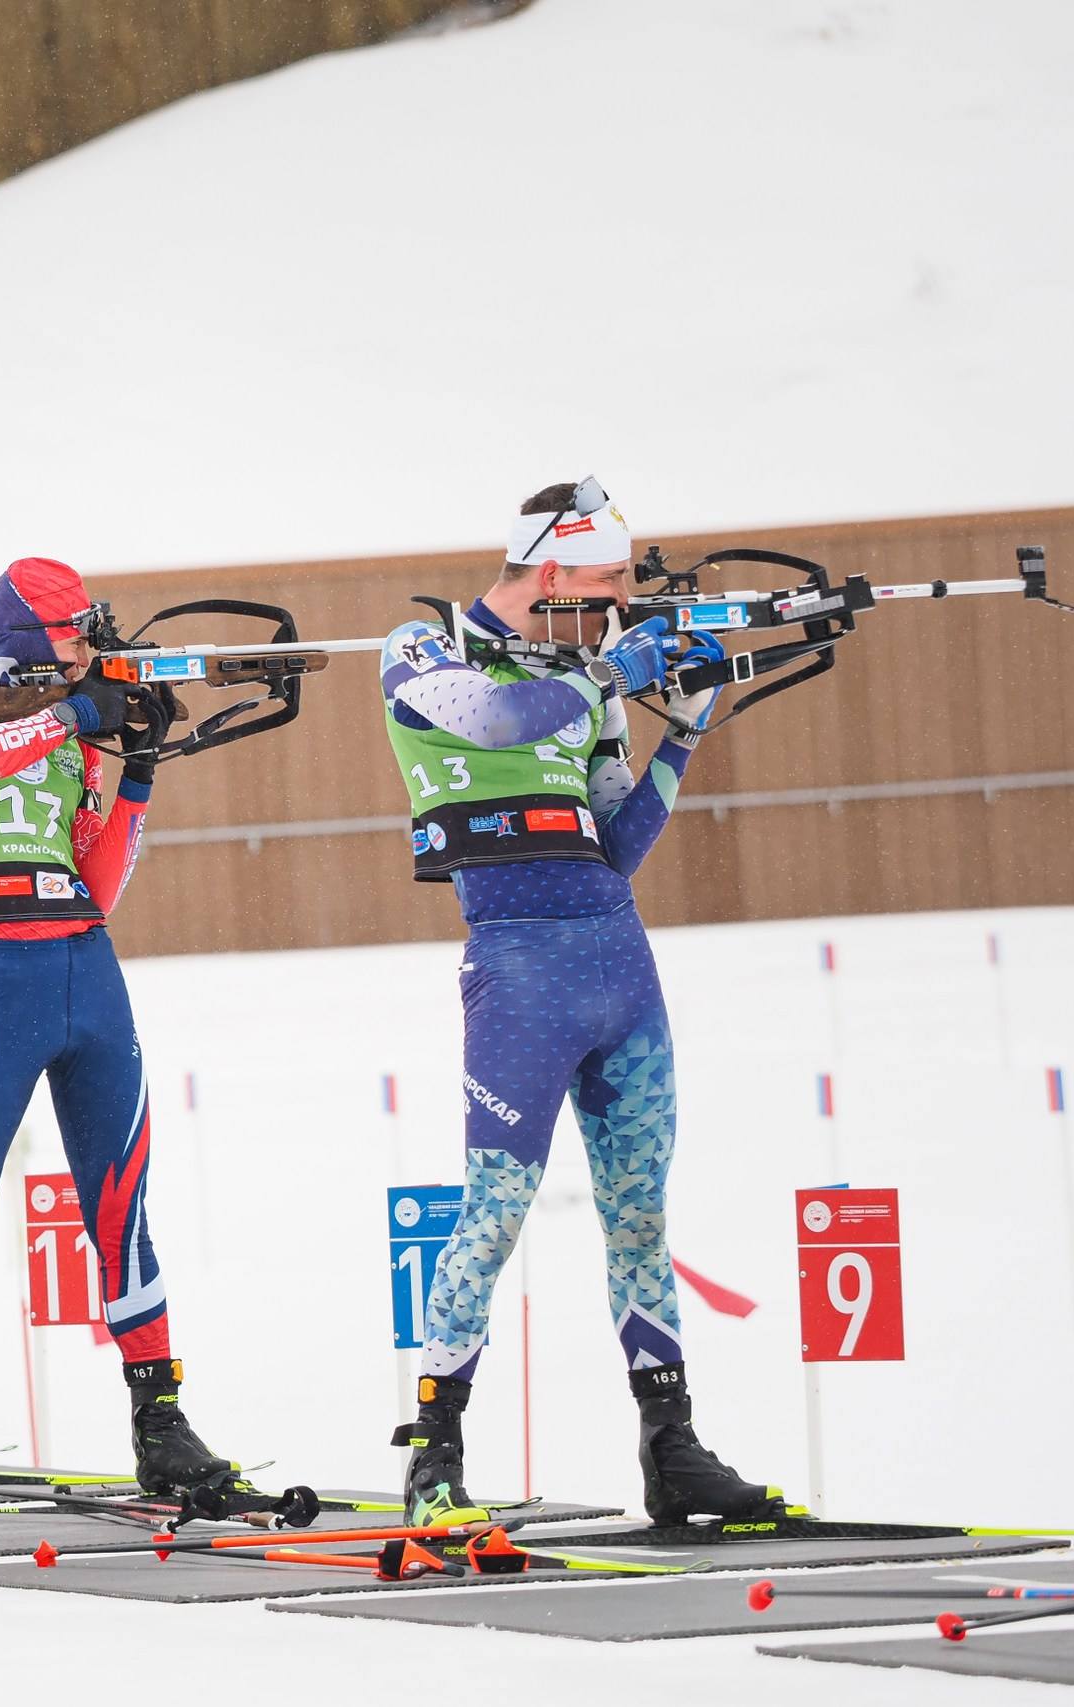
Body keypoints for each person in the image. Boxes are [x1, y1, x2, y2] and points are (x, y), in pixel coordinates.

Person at [380, 479, 780, 1526]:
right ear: (551, 570)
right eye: (608, 579)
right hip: (518, 968)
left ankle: (671, 1448)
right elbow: (494, 718)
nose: (620, 599)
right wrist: (610, 671)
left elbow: (616, 843)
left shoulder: (585, 677)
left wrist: (681, 734)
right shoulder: (423, 651)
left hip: (618, 958)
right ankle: (434, 1458)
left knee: (640, 1214)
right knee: (494, 1211)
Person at [0, 557, 240, 1540]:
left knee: (123, 1213)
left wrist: (139, 771)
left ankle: (159, 1422)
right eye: (74, 637)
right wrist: (77, 714)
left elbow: (97, 884)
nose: (85, 655)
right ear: (31, 638)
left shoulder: (66, 734)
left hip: (89, 975)